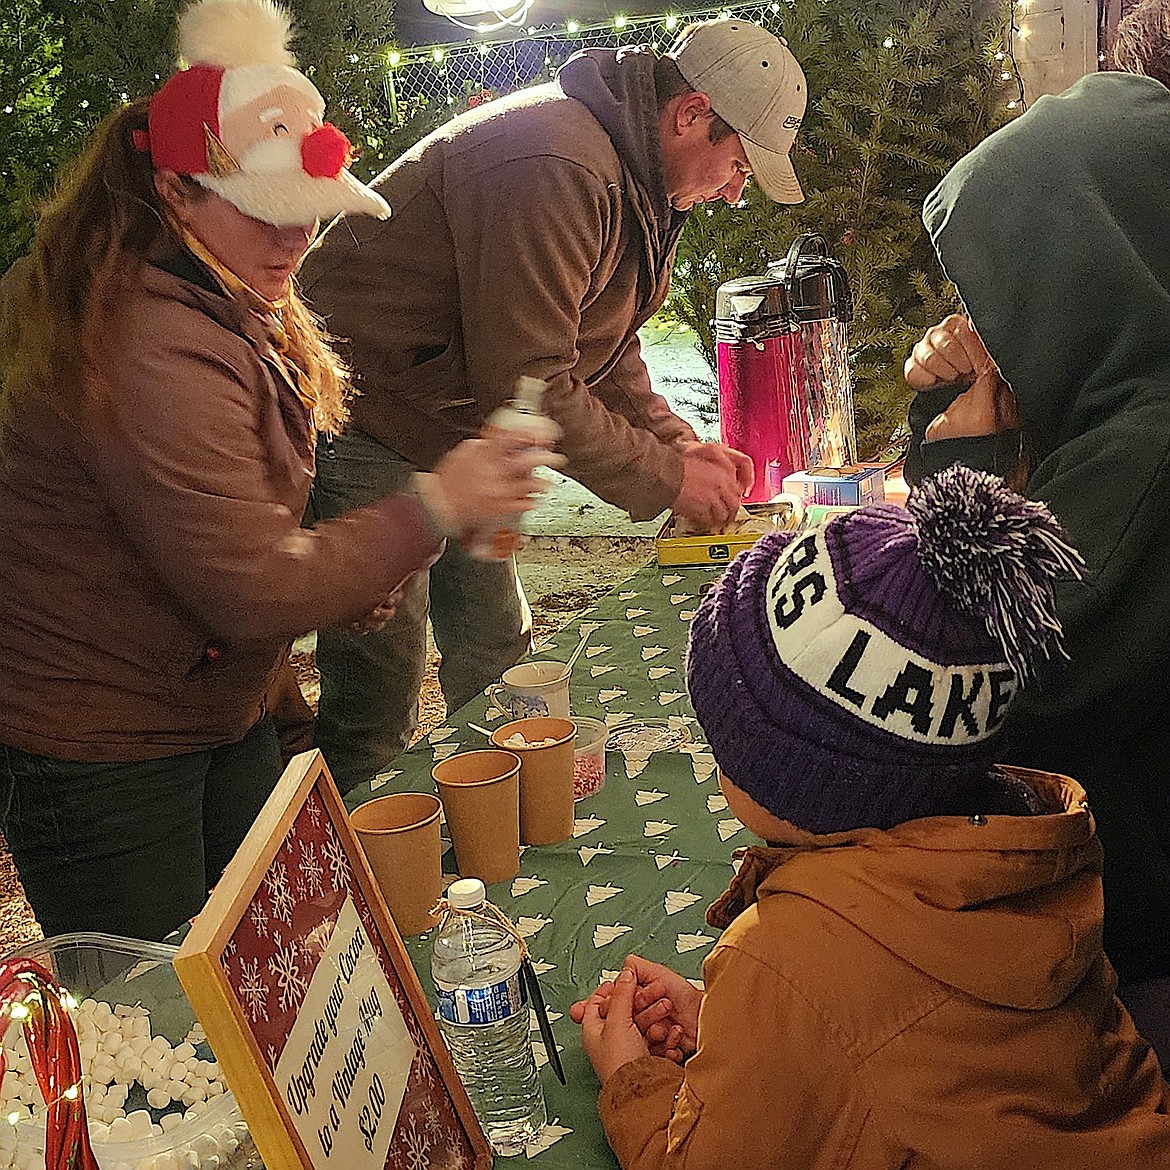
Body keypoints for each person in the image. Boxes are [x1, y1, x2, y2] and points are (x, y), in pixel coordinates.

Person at [0, 0, 551, 943]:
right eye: (270, 211)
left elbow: (226, 529)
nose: (297, 239)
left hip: (214, 701)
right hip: (105, 747)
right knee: (158, 1036)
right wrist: (435, 504)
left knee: (275, 964)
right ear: (175, 191)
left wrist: (340, 588)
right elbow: (250, 584)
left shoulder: (216, 288)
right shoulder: (141, 335)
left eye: (312, 214)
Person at [569, 465, 1170, 1169]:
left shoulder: (785, 956)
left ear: (798, 784)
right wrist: (744, 1029)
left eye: (724, 739)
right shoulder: (1028, 845)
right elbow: (915, 1041)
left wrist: (632, 1077)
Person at [301, 18, 807, 792]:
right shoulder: (556, 163)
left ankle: (510, 831)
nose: (736, 191)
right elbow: (531, 383)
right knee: (380, 689)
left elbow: (599, 342)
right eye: (739, 164)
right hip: (371, 413)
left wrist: (676, 443)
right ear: (691, 114)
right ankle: (352, 883)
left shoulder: (635, 171)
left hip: (459, 422)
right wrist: (668, 480)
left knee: (498, 647)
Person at [900, 70, 1170, 1064]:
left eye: (1003, 282)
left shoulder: (1141, 456)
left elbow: (969, 682)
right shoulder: (1124, 397)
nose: (977, 309)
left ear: (1082, 273)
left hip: (1119, 948)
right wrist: (973, 412)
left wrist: (964, 465)